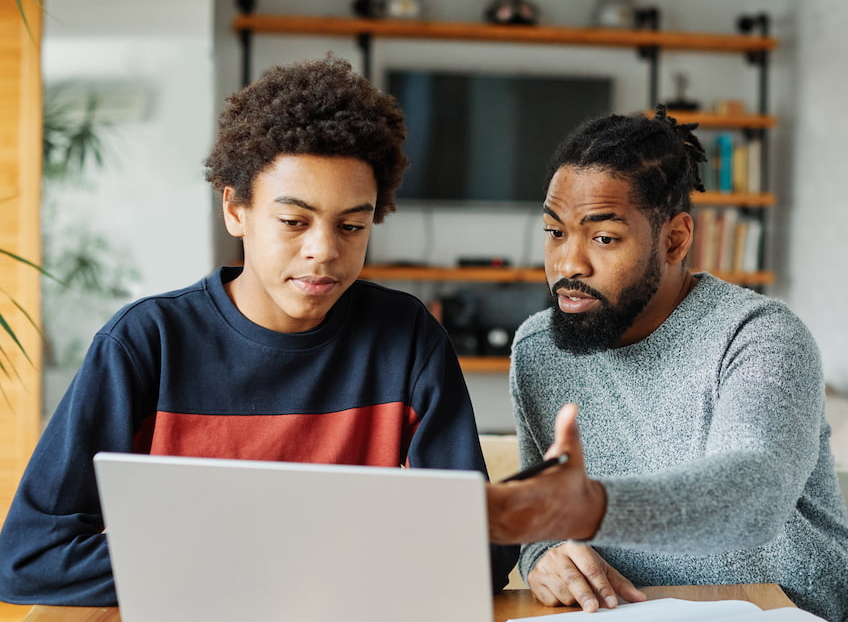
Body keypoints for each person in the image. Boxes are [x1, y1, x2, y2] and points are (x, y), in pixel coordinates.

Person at [0, 55, 517, 606]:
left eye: (352, 226)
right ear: (235, 209)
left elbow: (475, 556)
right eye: (294, 222)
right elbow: (30, 559)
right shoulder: (145, 344)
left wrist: (527, 513)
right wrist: (261, 559)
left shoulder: (407, 337)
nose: (323, 250)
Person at [486, 107, 848, 622]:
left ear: (676, 239)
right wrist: (545, 555)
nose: (568, 264)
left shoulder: (760, 335)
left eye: (603, 238)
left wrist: (590, 507)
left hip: (785, 611)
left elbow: (751, 498)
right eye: (554, 232)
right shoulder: (538, 349)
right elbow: (546, 525)